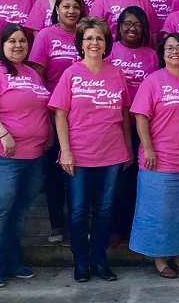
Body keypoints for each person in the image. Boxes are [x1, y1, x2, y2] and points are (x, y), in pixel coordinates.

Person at [49, 17, 133, 283]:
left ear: (106, 43)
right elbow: (60, 115)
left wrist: (128, 149)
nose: (94, 42)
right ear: (81, 44)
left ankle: (99, 260)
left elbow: (124, 114)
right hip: (79, 153)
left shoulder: (116, 73)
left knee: (105, 209)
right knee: (77, 210)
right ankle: (81, 262)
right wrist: (66, 151)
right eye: (89, 38)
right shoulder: (71, 74)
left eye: (99, 38)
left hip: (111, 152)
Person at [0, 23, 52, 288]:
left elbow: (39, 106)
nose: (18, 46)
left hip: (33, 155)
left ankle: (12, 262)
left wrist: (47, 131)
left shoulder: (31, 73)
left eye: (23, 42)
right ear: (1, 45)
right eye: (12, 41)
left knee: (17, 213)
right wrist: (3, 134)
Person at [128, 33, 179, 278]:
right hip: (159, 160)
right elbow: (141, 116)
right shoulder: (153, 81)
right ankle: (160, 259)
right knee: (159, 212)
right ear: (162, 54)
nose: (175, 51)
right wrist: (148, 147)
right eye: (169, 48)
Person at [28, 0, 87, 244]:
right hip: (53, 113)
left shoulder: (88, 36)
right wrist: (48, 115)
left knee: (81, 172)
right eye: (66, 6)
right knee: (54, 171)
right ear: (57, 10)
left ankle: (79, 224)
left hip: (85, 116)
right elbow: (37, 77)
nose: (71, 11)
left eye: (76, 6)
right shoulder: (46, 36)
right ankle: (56, 224)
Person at [107, 7, 159, 244]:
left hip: (144, 126)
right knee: (118, 181)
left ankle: (136, 228)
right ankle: (116, 228)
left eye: (137, 24)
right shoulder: (111, 51)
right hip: (115, 125)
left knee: (138, 181)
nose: (132, 28)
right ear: (118, 27)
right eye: (127, 23)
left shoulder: (152, 55)